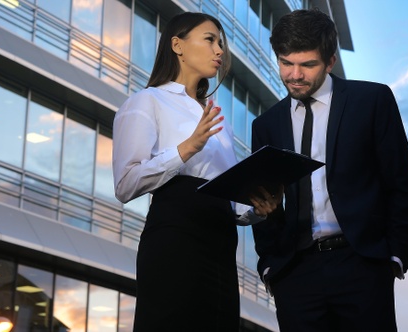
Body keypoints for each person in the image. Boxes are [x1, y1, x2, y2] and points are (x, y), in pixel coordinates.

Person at [251, 8, 408, 332]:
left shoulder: (372, 100)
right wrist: (270, 266)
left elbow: (401, 183)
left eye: (307, 65)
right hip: (295, 273)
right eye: (286, 63)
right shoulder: (266, 125)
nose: (295, 74)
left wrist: (395, 258)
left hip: (362, 265)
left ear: (330, 62)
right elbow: (266, 202)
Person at [112, 12, 281, 331]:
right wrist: (185, 148)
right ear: (178, 45)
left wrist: (257, 210)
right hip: (175, 238)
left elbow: (229, 203)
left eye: (221, 43)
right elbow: (125, 184)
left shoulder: (218, 119)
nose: (220, 50)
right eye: (210, 40)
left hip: (220, 245)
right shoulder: (147, 102)